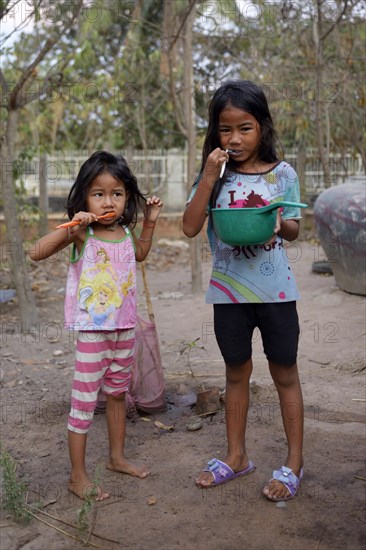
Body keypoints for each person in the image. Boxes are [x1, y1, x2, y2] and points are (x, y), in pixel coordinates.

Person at [183, 80, 304, 501]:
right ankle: (237, 457)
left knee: (285, 373)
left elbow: (293, 228)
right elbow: (189, 226)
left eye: (245, 128)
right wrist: (208, 179)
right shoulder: (213, 175)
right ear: (215, 131)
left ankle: (293, 463)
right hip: (229, 294)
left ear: (263, 127)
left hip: (275, 293)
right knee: (236, 372)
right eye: (225, 129)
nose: (234, 138)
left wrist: (277, 221)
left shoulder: (283, 173)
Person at [30, 151, 163, 501]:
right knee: (85, 401)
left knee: (117, 394)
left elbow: (141, 255)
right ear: (84, 197)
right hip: (93, 333)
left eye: (117, 194)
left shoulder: (123, 232)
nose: (108, 201)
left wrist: (149, 220)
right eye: (98, 194)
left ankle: (117, 457)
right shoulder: (82, 234)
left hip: (125, 330)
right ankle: (77, 476)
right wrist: (74, 224)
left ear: (126, 198)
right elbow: (36, 251)